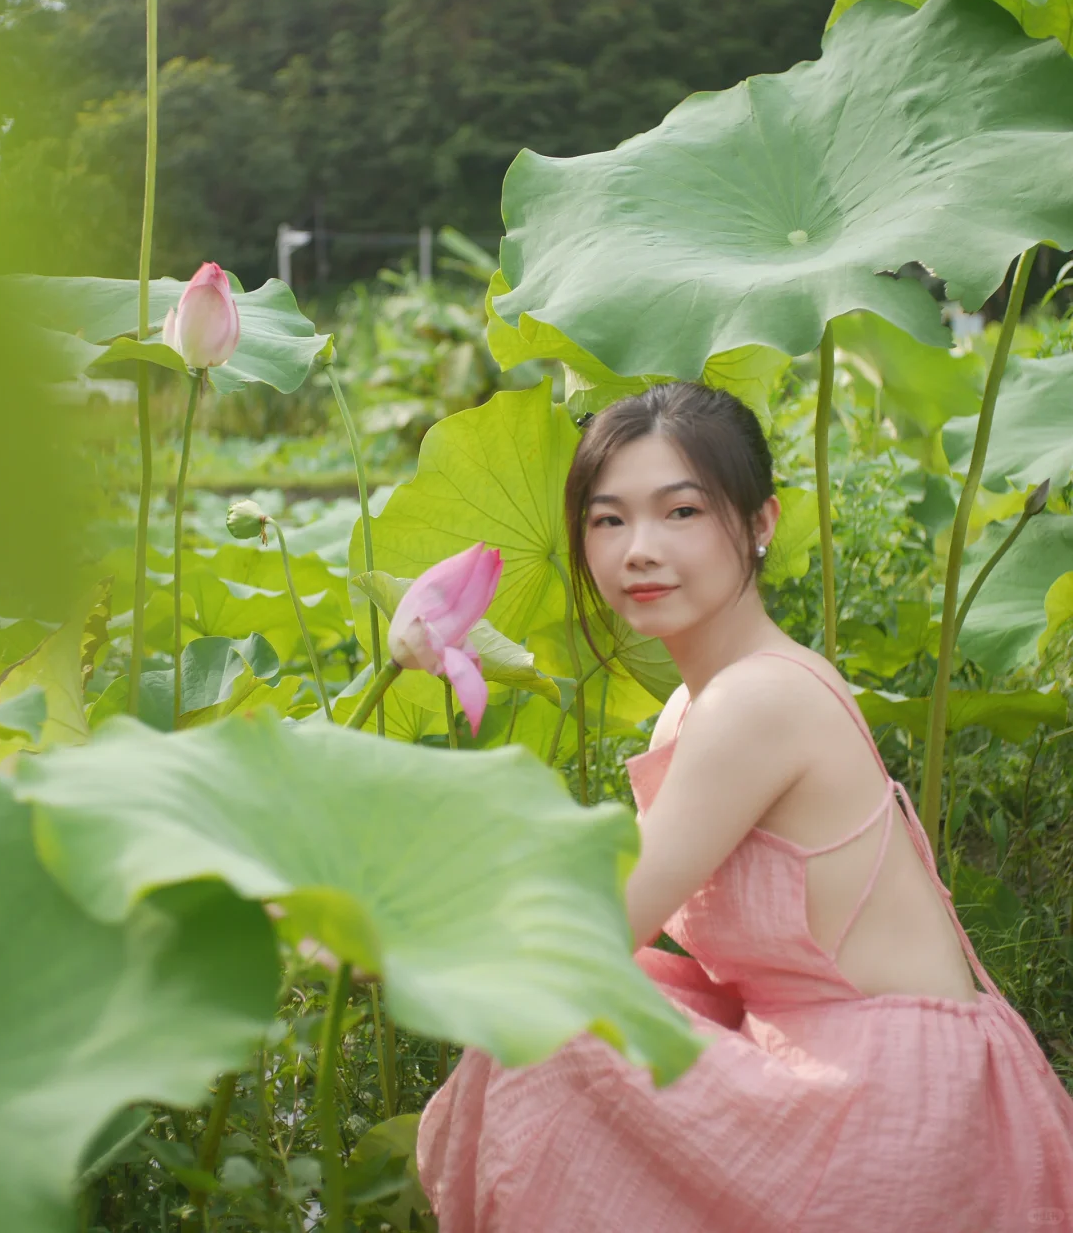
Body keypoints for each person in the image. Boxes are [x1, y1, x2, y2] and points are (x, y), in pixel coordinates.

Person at [416, 382, 1073, 1231]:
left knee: (554, 1027)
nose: (638, 550)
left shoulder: (754, 702)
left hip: (895, 1107)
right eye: (608, 520)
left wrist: (403, 926)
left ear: (760, 523)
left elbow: (598, 926)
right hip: (833, 1068)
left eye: (680, 512)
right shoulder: (698, 704)